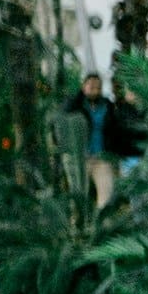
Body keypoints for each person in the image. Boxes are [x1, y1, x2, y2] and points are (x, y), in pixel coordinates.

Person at [63, 72, 117, 208]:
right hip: (79, 159)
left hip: (101, 157)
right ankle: (78, 226)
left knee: (106, 195)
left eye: (98, 88)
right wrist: (80, 96)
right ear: (84, 87)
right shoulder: (76, 105)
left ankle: (104, 226)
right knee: (79, 197)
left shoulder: (107, 105)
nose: (95, 91)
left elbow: (114, 128)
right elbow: (65, 117)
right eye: (91, 87)